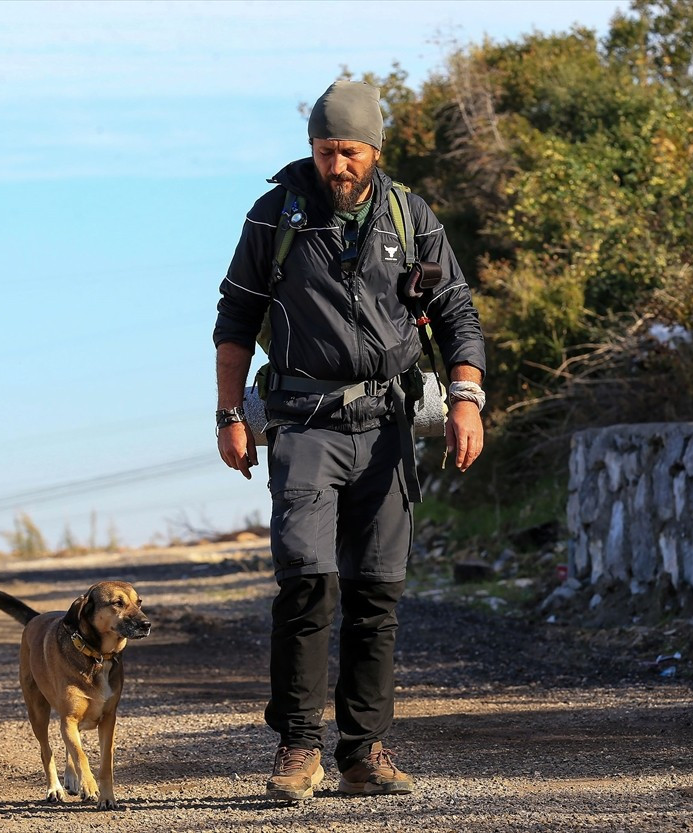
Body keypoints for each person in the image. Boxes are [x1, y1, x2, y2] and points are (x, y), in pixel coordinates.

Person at [212, 80, 486, 800]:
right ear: (312, 147)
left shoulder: (410, 215)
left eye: (351, 152)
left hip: (388, 427)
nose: (338, 166)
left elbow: (456, 308)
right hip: (304, 421)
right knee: (306, 583)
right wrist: (228, 415)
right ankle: (299, 747)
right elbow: (235, 318)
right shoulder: (276, 215)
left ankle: (363, 751)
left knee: (376, 592)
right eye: (326, 150)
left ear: (376, 150)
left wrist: (466, 399)